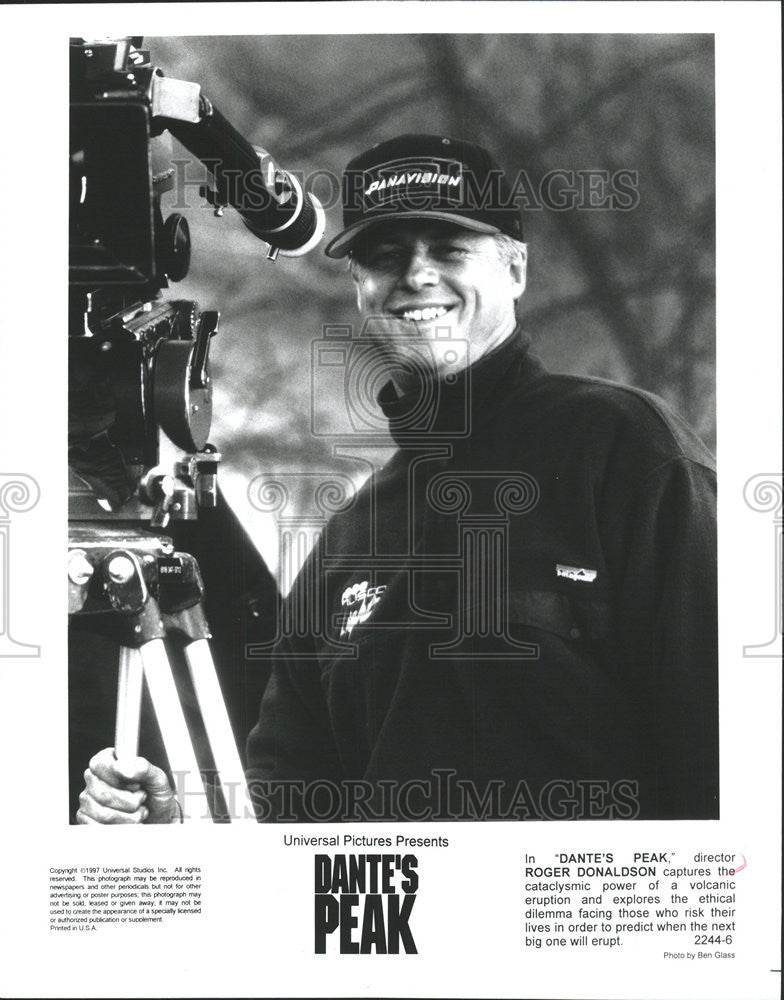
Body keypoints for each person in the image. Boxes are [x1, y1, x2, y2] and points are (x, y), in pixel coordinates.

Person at [77, 134, 718, 824]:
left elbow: (726, 746)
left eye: (448, 249)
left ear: (516, 269)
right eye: (385, 256)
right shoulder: (348, 542)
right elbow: (292, 811)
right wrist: (179, 820)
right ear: (359, 288)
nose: (416, 275)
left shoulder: (623, 447)